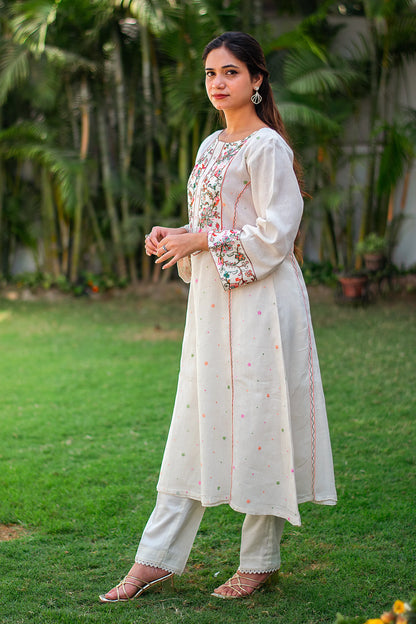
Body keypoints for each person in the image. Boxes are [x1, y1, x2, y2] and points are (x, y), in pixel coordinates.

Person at [99, 31, 336, 603]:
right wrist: (174, 236)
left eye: (230, 72)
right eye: (210, 74)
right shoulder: (210, 147)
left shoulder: (269, 148)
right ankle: (154, 558)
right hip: (211, 302)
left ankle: (259, 560)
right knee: (196, 421)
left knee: (260, 421)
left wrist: (200, 238)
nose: (217, 83)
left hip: (262, 302)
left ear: (257, 80)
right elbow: (207, 225)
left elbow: (276, 234)